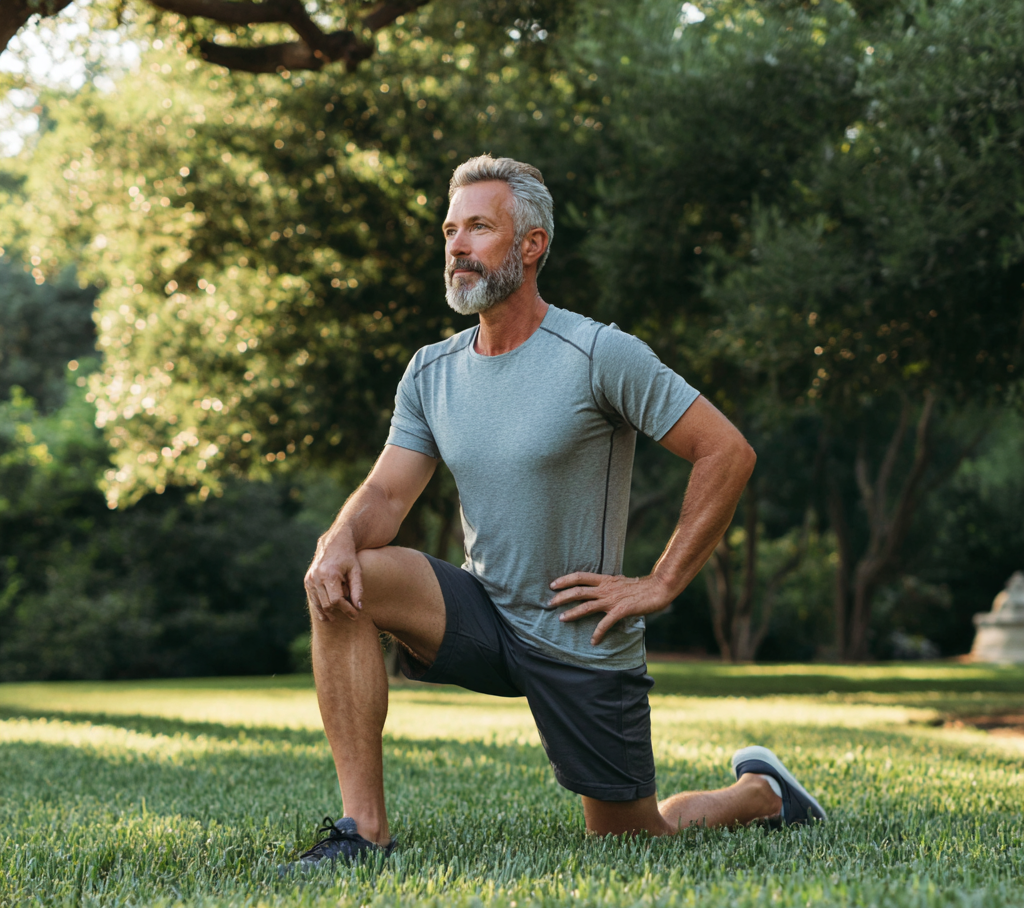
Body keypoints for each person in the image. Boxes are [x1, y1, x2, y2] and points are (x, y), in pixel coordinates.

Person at [293, 155, 825, 868]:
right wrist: (336, 540)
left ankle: (760, 793)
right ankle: (364, 833)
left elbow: (725, 452)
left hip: (580, 632)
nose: (456, 245)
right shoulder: (430, 371)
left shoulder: (598, 353)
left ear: (531, 245)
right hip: (482, 613)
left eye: (479, 227)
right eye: (450, 229)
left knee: (632, 840)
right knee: (345, 578)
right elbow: (386, 498)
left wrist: (659, 582)